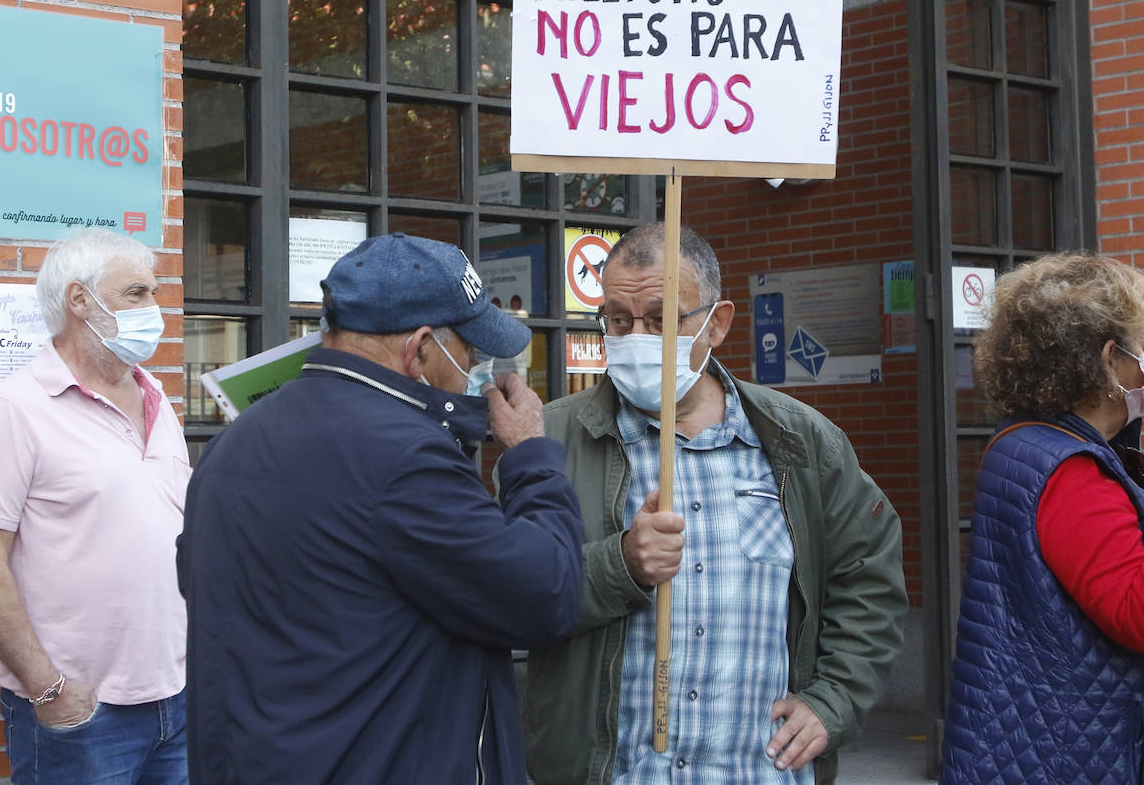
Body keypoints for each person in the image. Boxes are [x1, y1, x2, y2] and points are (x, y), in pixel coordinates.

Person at [178, 232, 584, 784]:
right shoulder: (408, 458)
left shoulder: (237, 439)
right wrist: (531, 454)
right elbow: (547, 595)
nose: (480, 367)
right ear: (419, 350)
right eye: (471, 350)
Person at [525, 223, 907, 785]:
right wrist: (621, 565)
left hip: (759, 771)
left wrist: (834, 699)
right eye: (618, 320)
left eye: (660, 320)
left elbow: (867, 576)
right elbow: (511, 597)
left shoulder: (798, 441)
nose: (636, 337)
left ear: (716, 323)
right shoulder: (552, 440)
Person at [0, 228, 190, 784]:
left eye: (153, 293)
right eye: (136, 293)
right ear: (79, 300)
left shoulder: (160, 401)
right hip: (83, 713)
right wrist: (48, 688)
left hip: (176, 698)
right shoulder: (15, 411)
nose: (153, 309)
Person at [942, 252, 1144, 783]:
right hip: (1070, 744)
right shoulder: (1070, 470)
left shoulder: (1027, 441)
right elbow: (1135, 613)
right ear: (1109, 359)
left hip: (1029, 733)